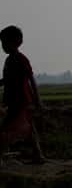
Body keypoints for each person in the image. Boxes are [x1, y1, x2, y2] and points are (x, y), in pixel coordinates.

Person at [0, 25, 43, 163]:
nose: (2, 46)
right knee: (30, 129)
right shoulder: (9, 60)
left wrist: (38, 99)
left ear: (14, 42)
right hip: (15, 100)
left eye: (4, 42)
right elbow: (7, 80)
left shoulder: (20, 59)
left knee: (6, 128)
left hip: (21, 100)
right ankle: (38, 155)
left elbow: (31, 79)